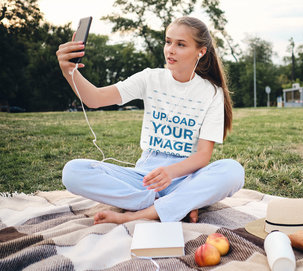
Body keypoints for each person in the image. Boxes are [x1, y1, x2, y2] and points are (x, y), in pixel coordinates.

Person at [56, 16, 245, 224]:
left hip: (186, 179)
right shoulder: (150, 78)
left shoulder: (212, 93)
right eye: (168, 41)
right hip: (144, 180)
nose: (170, 49)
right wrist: (69, 71)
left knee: (233, 171)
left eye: (180, 44)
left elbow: (202, 157)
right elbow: (95, 99)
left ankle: (141, 213)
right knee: (73, 172)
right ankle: (177, 204)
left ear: (201, 52)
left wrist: (170, 172)